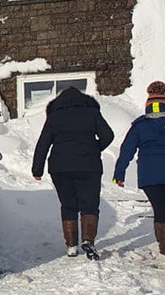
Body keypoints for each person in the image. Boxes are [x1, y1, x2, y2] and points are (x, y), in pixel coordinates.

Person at [32, 86, 114, 260]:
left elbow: (43, 144)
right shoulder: (92, 113)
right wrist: (94, 149)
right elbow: (108, 135)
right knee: (90, 204)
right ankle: (88, 241)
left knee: (68, 205)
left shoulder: (54, 117)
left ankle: (71, 246)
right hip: (89, 165)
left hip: (60, 167)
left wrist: (37, 169)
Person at [113, 81, 165, 256]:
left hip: (149, 177)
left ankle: (164, 246)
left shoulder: (139, 126)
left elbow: (126, 151)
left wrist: (119, 174)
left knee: (159, 210)